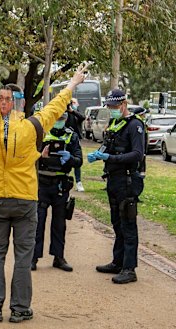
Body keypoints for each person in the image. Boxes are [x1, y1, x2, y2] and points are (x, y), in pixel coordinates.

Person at [0, 63, 88, 323]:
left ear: (1, 103)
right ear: (20, 104)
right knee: (23, 256)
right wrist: (73, 83)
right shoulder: (32, 125)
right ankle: (20, 308)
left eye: (1, 99)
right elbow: (56, 107)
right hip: (25, 200)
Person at [88, 89, 145, 284]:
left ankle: (130, 269)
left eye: (114, 107)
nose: (112, 110)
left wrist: (111, 158)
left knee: (128, 224)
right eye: (109, 107)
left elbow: (138, 154)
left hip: (128, 180)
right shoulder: (115, 123)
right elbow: (107, 145)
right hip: (113, 180)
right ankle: (118, 261)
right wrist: (98, 154)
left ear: (124, 104)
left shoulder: (135, 125)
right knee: (117, 223)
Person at [32, 112, 83, 272]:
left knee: (59, 223)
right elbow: (27, 156)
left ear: (66, 120)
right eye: (56, 120)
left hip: (61, 185)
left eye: (61, 120)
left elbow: (79, 160)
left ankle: (58, 257)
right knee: (38, 222)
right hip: (42, 184)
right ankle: (33, 257)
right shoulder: (41, 133)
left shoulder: (71, 136)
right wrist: (41, 156)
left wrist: (70, 159)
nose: (58, 122)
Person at [65, 98, 86, 191]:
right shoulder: (65, 113)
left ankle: (78, 182)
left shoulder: (76, 113)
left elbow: (83, 117)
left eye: (74, 102)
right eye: (70, 102)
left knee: (77, 160)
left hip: (75, 140)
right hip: (65, 139)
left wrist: (72, 111)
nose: (72, 104)